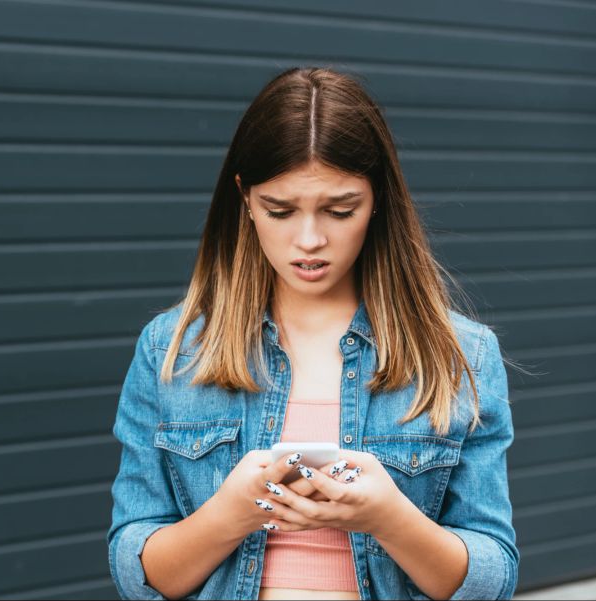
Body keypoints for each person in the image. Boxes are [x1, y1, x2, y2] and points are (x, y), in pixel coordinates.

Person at [106, 66, 519, 600]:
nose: (309, 240)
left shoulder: (462, 355)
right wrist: (230, 514)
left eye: (340, 209)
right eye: (279, 210)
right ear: (245, 200)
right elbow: (135, 574)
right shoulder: (172, 350)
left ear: (378, 201)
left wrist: (391, 519)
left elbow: (494, 579)